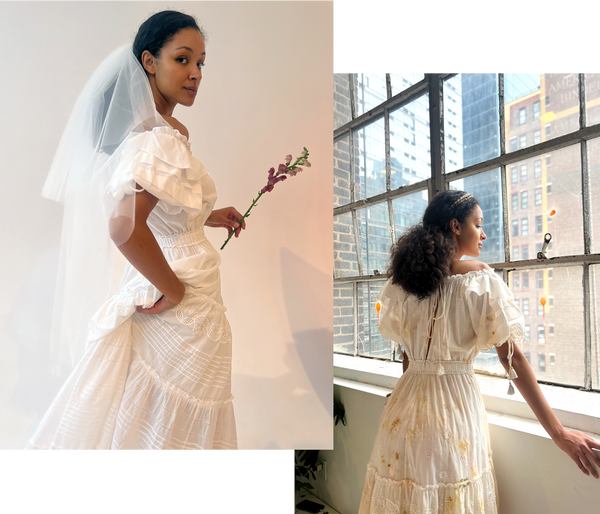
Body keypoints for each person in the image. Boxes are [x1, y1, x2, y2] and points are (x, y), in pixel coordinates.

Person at [24, 10, 244, 452]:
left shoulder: (157, 132)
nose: (195, 73)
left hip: (176, 283)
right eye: (182, 60)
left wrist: (208, 214)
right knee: (172, 412)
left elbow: (161, 208)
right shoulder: (160, 137)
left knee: (155, 408)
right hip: (183, 297)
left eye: (201, 63)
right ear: (148, 61)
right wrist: (175, 291)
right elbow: (125, 227)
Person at [359, 190, 600, 512]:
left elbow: (408, 347)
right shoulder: (478, 277)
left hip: (404, 406)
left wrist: (410, 382)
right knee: (449, 497)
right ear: (456, 226)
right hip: (452, 407)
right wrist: (558, 433)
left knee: (405, 495)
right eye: (478, 224)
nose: (483, 234)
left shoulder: (404, 281)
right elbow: (510, 357)